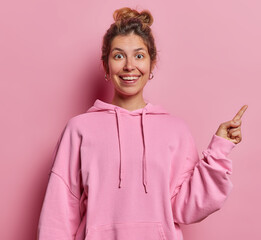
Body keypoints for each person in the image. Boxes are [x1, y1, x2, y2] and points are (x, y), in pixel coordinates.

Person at [37, 7, 248, 240]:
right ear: (106, 65)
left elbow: (187, 205)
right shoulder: (79, 130)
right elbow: (58, 213)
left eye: (139, 55)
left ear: (151, 63)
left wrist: (219, 148)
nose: (129, 66)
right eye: (118, 55)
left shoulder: (175, 131)